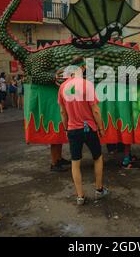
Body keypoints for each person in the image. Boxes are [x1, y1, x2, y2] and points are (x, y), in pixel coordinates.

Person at [58, 56, 109, 205]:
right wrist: (100, 127)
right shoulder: (87, 85)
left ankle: (80, 196)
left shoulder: (63, 87)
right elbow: (96, 110)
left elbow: (63, 112)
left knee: (75, 162)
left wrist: (66, 128)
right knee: (97, 157)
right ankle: (99, 190)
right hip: (89, 128)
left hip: (73, 129)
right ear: (82, 68)